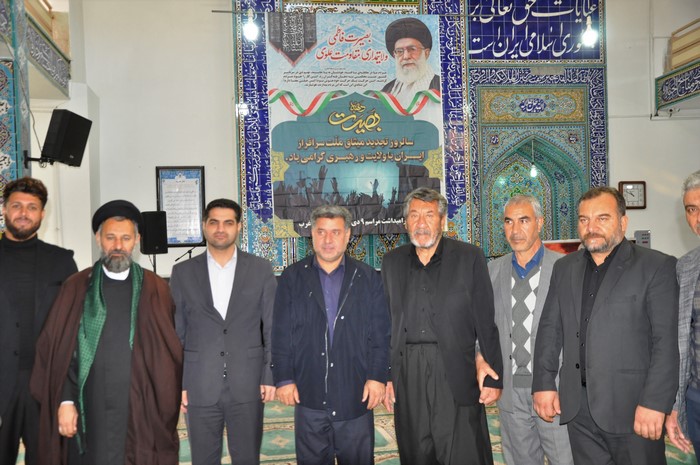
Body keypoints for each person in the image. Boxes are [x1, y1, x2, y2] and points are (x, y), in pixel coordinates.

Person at [533, 186, 679, 465]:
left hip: (634, 409)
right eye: (584, 219)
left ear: (623, 222)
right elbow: (550, 329)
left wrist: (655, 403)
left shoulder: (656, 267)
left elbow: (666, 343)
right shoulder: (564, 268)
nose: (591, 227)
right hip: (578, 410)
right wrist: (543, 383)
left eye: (602, 218)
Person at [30, 200, 183, 465]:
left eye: (126, 238)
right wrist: (65, 401)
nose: (118, 245)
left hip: (141, 403)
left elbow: (169, 352)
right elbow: (58, 351)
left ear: (137, 240)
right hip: (90, 402)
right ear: (98, 239)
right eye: (111, 237)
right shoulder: (76, 287)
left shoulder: (156, 289)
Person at [381, 187, 503, 465]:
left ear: (442, 220)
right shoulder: (392, 262)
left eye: (429, 215)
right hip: (408, 373)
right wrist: (386, 375)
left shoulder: (469, 257)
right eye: (414, 215)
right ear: (405, 222)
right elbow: (386, 324)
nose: (421, 223)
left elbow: (485, 319)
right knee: (416, 451)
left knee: (464, 452)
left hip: (456, 370)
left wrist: (494, 376)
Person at [272, 205, 390, 465]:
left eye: (335, 232)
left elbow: (380, 334)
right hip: (309, 395)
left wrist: (377, 377)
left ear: (347, 235)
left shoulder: (367, 277)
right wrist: (284, 378)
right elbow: (280, 333)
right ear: (312, 235)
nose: (328, 239)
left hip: (356, 396)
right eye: (321, 232)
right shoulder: (292, 278)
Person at [170, 198, 277, 465]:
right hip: (199, 383)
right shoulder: (182, 272)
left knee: (247, 458)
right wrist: (179, 383)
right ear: (204, 226)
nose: (221, 229)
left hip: (248, 382)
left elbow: (272, 326)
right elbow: (176, 332)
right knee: (203, 459)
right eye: (214, 222)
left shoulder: (261, 269)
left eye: (228, 223)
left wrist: (269, 374)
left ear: (239, 227)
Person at [477, 195, 573, 465]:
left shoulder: (565, 268)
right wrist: (480, 357)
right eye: (509, 222)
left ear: (539, 223)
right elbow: (481, 326)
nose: (515, 230)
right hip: (510, 394)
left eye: (524, 221)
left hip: (554, 391)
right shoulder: (492, 271)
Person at [0, 177, 77, 465]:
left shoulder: (62, 262)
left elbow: (72, 329)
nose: (24, 213)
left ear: (43, 214)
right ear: (4, 209)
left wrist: (68, 394)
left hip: (45, 386)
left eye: (32, 207)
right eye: (16, 206)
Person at [666, 169, 700, 455]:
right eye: (691, 209)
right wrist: (676, 406)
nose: (698, 217)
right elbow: (680, 342)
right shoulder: (685, 267)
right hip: (696, 398)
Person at [382, 17, 440, 108]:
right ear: (394, 55)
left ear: (426, 53)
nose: (406, 56)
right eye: (399, 51)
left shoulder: (440, 86)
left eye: (412, 49)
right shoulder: (388, 89)